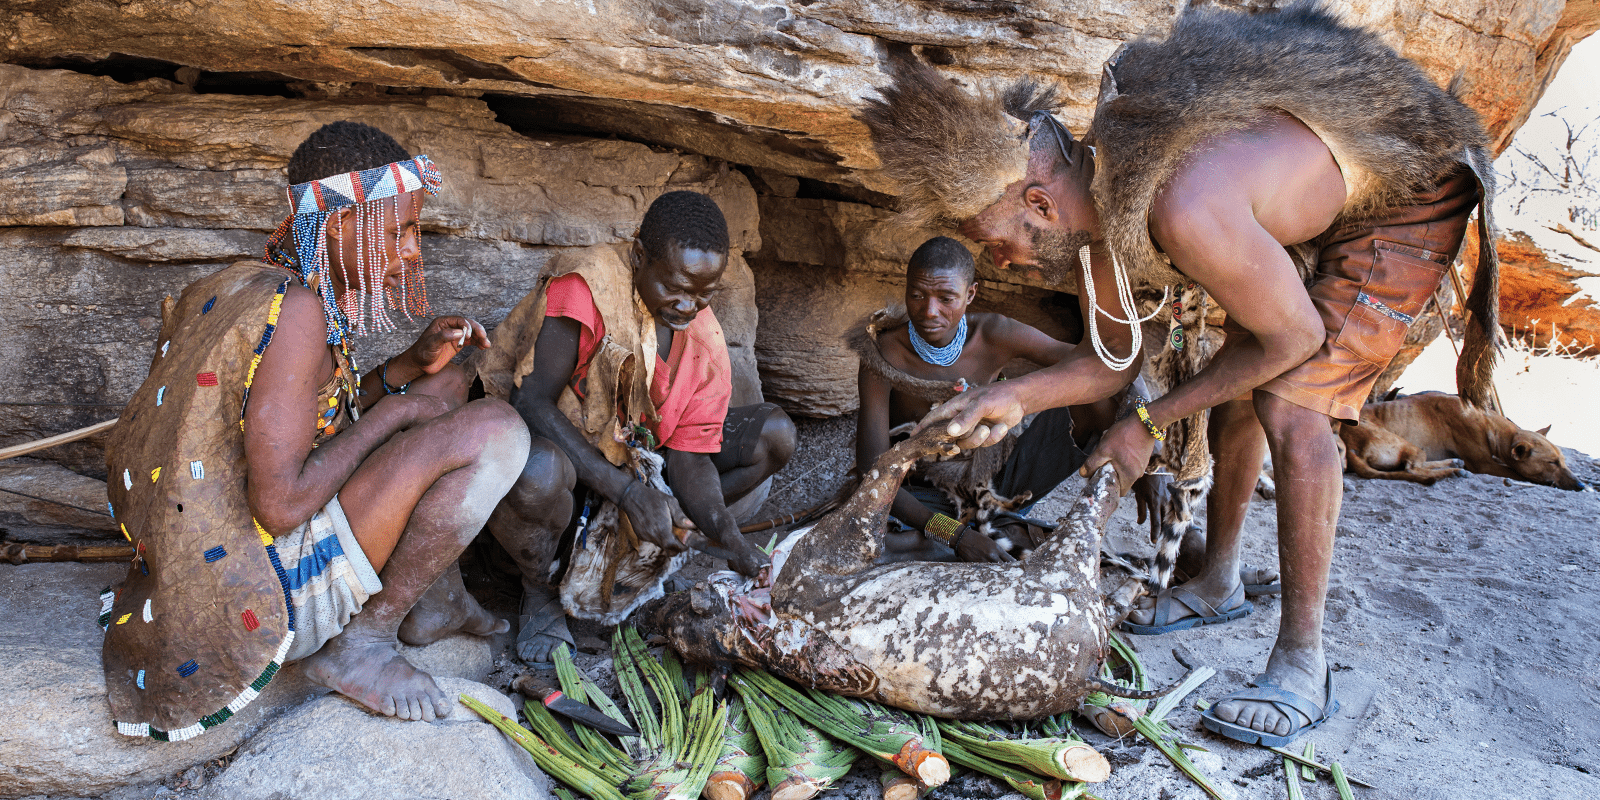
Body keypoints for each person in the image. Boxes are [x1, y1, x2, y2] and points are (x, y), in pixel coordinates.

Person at [858, 2, 1498, 746]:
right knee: (1244, 384)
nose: (999, 263)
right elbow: (1108, 362)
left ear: (1038, 203)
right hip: (1328, 196)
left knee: (1291, 402)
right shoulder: (1095, 207)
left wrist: (1148, 423)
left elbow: (1293, 337)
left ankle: (1302, 662)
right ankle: (1219, 582)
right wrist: (1010, 397)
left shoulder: (1181, 206)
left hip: (1414, 182)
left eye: (992, 243)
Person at [102, 121, 529, 739]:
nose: (411, 250)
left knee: (446, 385)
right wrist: (393, 413)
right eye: (398, 230)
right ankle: (361, 643)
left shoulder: (267, 283)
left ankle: (432, 599)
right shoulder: (298, 313)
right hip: (262, 591)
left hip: (212, 559)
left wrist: (409, 368)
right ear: (338, 225)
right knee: (497, 430)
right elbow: (277, 507)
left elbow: (315, 418)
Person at [476, 190, 795, 663]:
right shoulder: (587, 288)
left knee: (776, 435)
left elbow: (690, 454)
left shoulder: (701, 339)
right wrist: (627, 494)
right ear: (640, 256)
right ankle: (538, 586)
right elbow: (532, 401)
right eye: (676, 287)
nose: (688, 306)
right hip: (560, 456)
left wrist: (729, 539)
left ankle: (658, 543)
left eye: (704, 293)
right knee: (538, 474)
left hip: (632, 458)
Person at [855, 235, 1120, 562]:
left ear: (971, 294)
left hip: (997, 481)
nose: (929, 310)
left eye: (946, 297)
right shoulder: (884, 355)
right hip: (921, 496)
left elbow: (1102, 366)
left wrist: (1146, 430)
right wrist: (955, 535)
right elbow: (873, 470)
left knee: (1096, 400)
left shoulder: (994, 333)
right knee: (880, 544)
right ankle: (980, 531)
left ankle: (989, 525)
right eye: (917, 295)